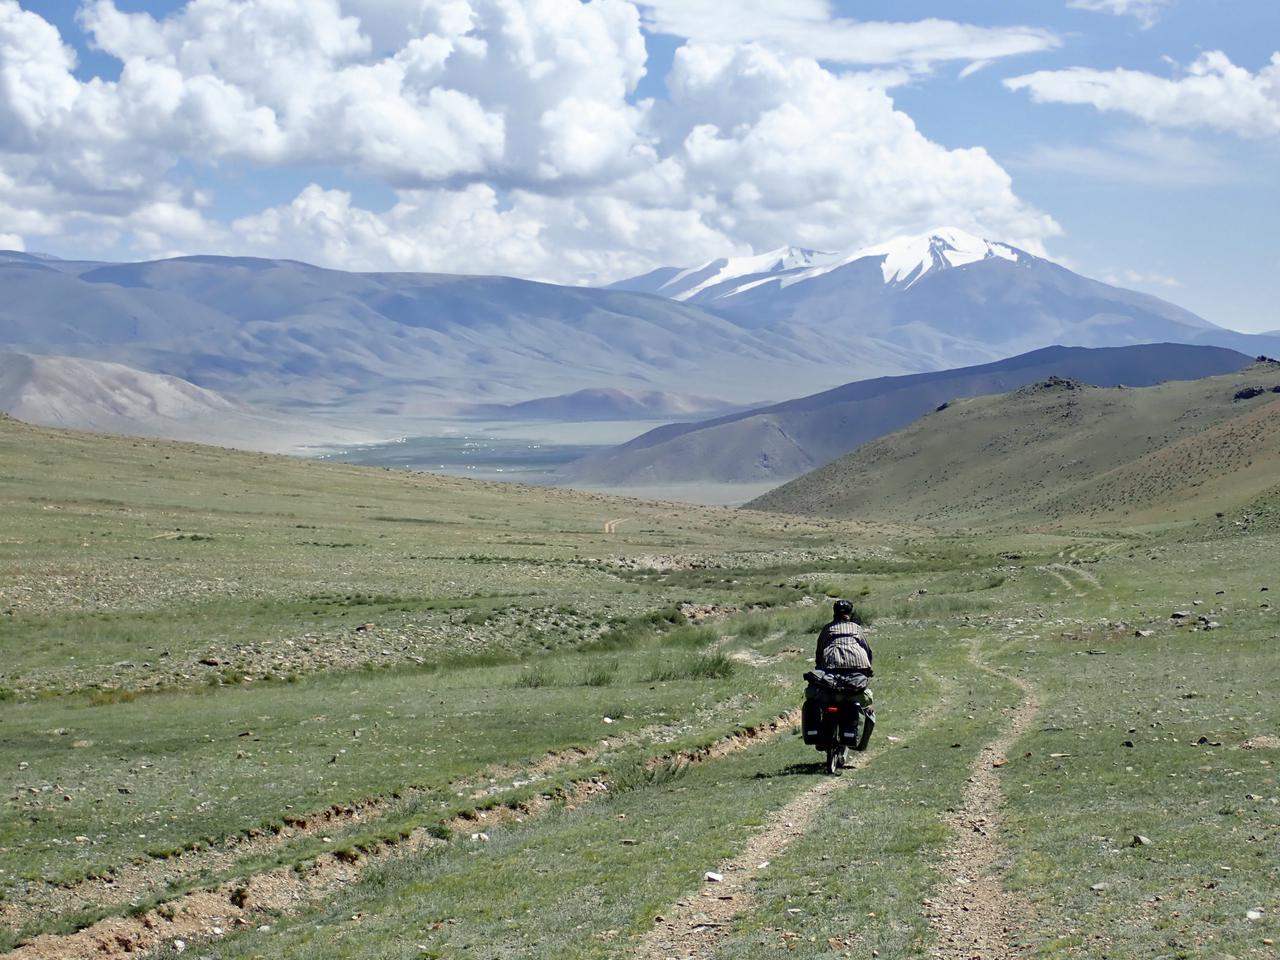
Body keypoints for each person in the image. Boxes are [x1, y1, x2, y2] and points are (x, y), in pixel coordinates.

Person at [815, 599, 872, 675]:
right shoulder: (856, 628)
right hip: (859, 663)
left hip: (832, 664)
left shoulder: (828, 628)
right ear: (849, 614)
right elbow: (867, 649)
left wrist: (819, 665)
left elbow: (820, 649)